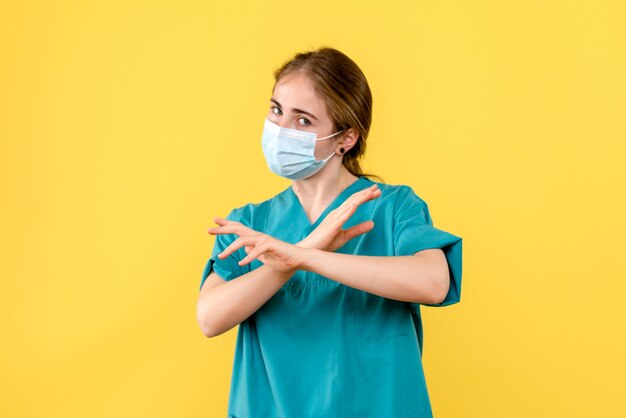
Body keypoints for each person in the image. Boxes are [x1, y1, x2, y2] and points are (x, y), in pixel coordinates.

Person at [196, 47, 463, 418]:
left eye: (303, 121)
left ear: (346, 138)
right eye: (276, 111)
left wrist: (306, 256)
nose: (281, 130)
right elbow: (210, 318)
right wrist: (294, 256)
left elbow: (434, 283)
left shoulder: (393, 207)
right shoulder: (250, 224)